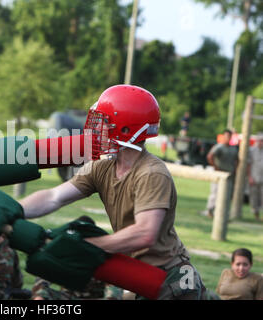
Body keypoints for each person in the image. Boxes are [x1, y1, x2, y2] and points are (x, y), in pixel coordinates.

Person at [19, 84, 207, 300]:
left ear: (125, 130)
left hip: (171, 281)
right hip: (138, 274)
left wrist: (88, 247)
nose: (95, 129)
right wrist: (14, 210)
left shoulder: (152, 173)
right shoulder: (103, 166)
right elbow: (54, 197)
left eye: (103, 122)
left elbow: (145, 233)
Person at [31, 215, 123, 300]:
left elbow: (113, 289)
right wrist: (40, 296)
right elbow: (43, 278)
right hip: (68, 296)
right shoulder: (65, 253)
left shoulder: (102, 255)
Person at [202, 129, 238, 218]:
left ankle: (222, 212)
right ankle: (210, 210)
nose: (227, 138)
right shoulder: (219, 147)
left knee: (226, 194)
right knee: (215, 192)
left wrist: (235, 169)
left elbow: (236, 160)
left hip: (229, 173)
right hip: (219, 173)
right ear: (223, 136)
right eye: (226, 136)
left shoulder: (233, 149)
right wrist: (216, 167)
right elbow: (210, 156)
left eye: (229, 136)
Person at [247, 134, 263, 221]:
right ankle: (256, 215)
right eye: (260, 140)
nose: (261, 142)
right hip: (254, 177)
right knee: (254, 197)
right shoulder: (252, 150)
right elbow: (248, 164)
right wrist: (249, 177)